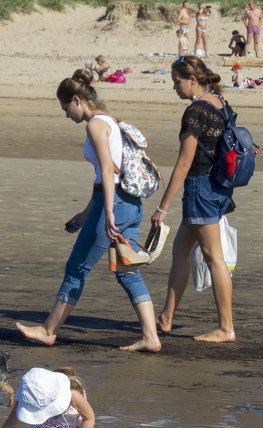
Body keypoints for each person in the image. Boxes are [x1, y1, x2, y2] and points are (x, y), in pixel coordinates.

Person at [16, 71, 161, 353]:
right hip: (131, 205)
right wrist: (87, 213)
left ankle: (48, 330)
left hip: (114, 205)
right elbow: (104, 176)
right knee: (128, 272)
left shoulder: (95, 125)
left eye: (65, 108)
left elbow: (108, 170)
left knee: (77, 268)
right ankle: (150, 336)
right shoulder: (111, 120)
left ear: (76, 100)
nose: (66, 115)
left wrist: (107, 212)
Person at [150, 56, 236, 343]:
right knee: (180, 250)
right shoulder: (220, 103)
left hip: (201, 187)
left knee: (214, 258)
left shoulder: (196, 111)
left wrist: (162, 208)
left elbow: (184, 164)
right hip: (218, 186)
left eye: (177, 81)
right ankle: (166, 317)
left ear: (192, 79)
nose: (175, 87)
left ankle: (226, 328)